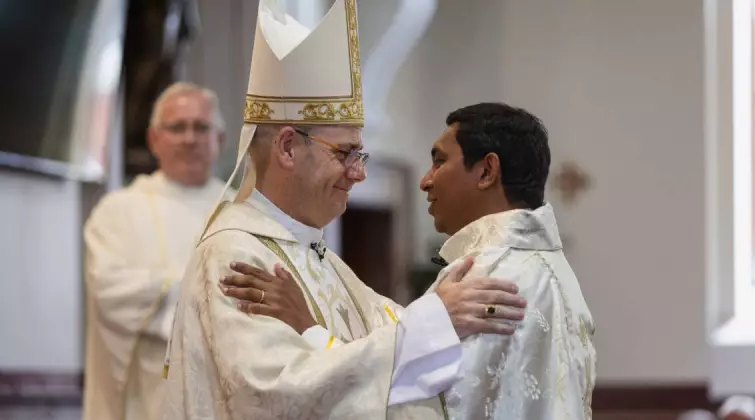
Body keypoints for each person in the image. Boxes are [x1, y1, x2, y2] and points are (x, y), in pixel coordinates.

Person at [160, 2, 527, 419]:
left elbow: (385, 331)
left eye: (361, 156)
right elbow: (273, 395)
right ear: (285, 147)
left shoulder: (316, 255)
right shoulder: (237, 258)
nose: (358, 174)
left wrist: (442, 314)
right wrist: (436, 321)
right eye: (345, 153)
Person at [227, 103, 597, 418]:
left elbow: (409, 410)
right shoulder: (553, 271)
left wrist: (310, 329)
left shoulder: (481, 278)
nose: (425, 181)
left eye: (439, 162)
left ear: (486, 171)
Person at [82, 82, 226, 420]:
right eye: (177, 127)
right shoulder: (118, 210)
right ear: (154, 140)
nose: (189, 138)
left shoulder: (241, 210)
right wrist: (198, 295)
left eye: (201, 127)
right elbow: (109, 289)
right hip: (149, 396)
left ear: (219, 139)